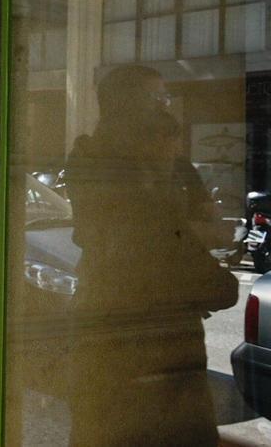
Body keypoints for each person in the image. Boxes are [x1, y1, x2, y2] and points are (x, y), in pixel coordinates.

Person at [64, 64, 237, 445]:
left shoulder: (99, 161)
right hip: (149, 361)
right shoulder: (117, 174)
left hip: (124, 350)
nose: (166, 108)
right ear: (128, 106)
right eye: (157, 99)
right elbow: (218, 287)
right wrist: (199, 232)